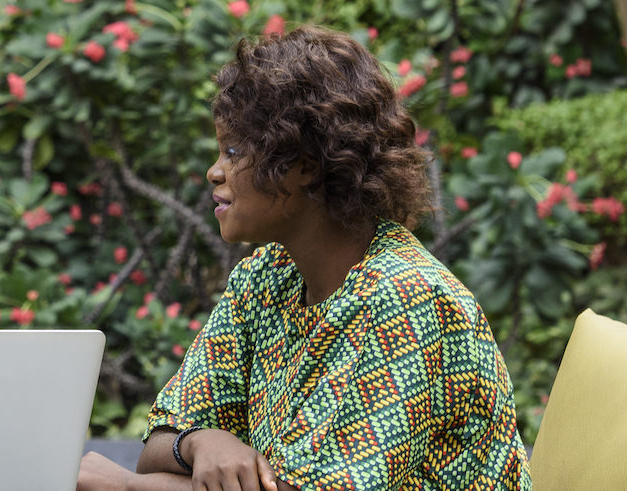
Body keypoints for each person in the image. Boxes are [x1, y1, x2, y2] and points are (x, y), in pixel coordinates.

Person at [77, 26, 531, 491]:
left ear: (306, 165)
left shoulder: (409, 300)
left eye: (233, 150)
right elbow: (156, 450)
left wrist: (119, 487)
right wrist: (200, 440)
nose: (214, 171)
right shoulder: (265, 278)